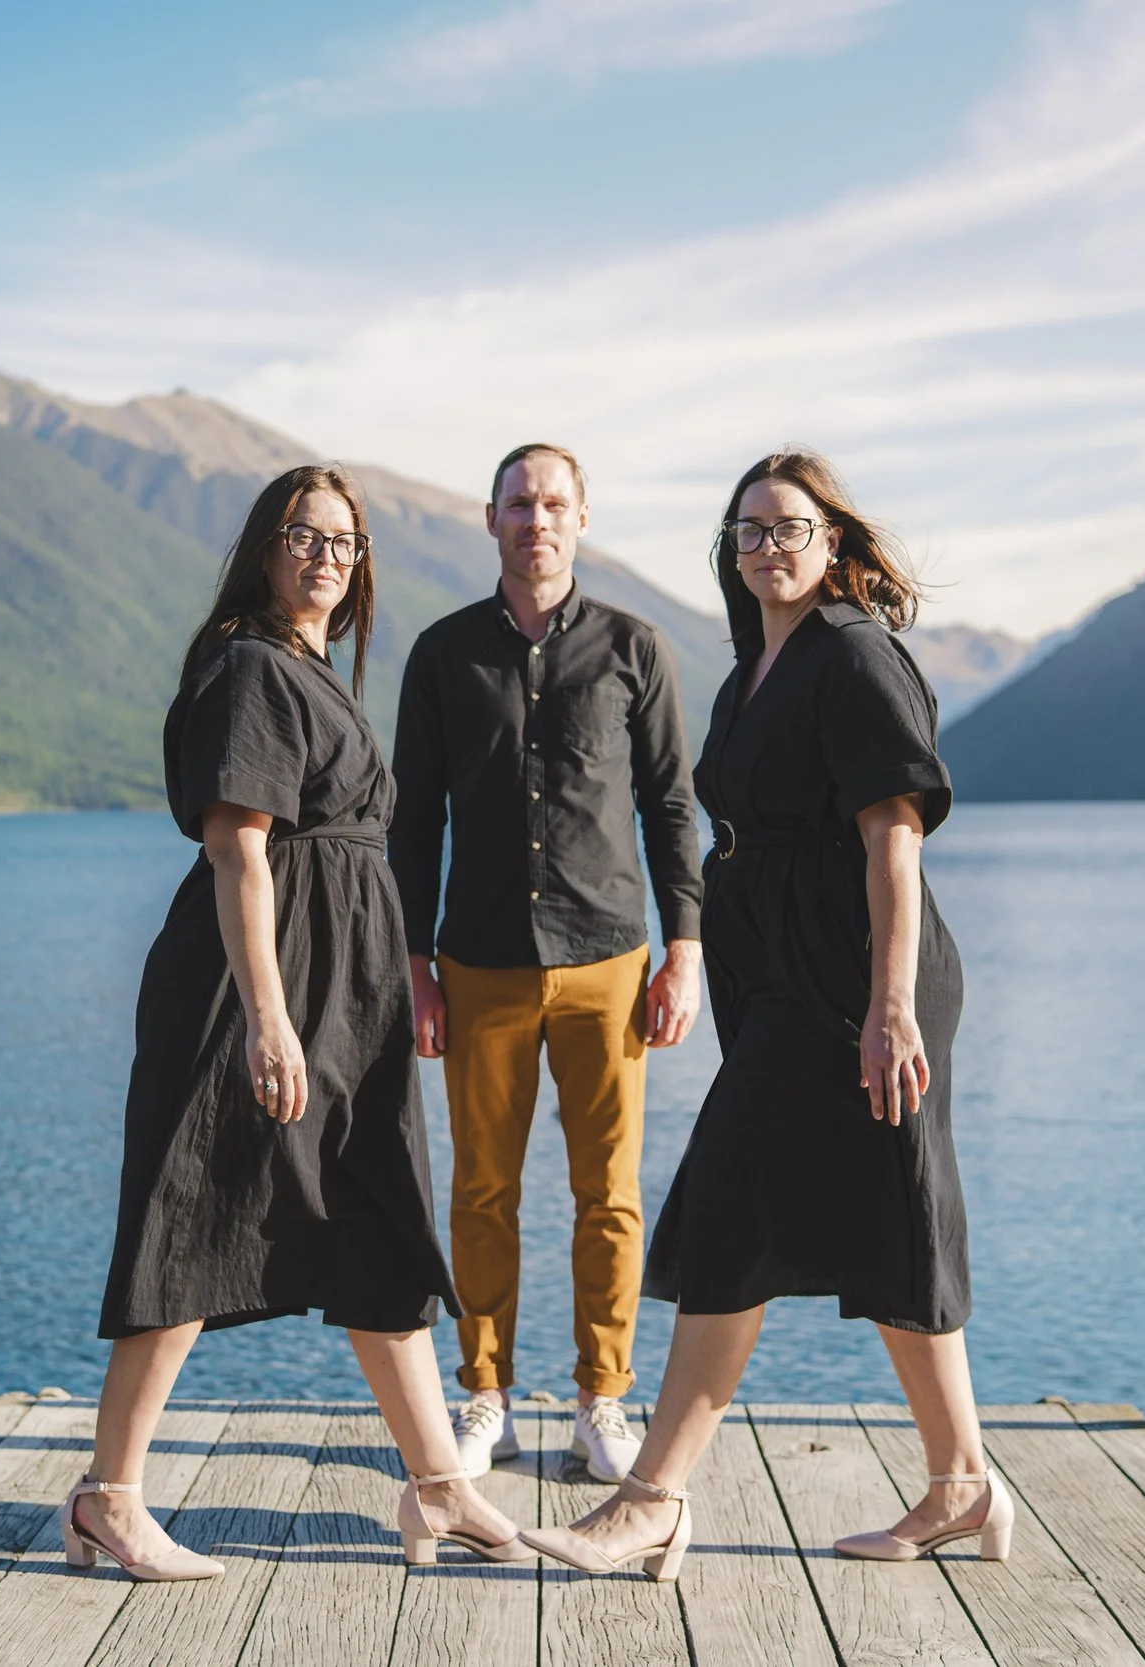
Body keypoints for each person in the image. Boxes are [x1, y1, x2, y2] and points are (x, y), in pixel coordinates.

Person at [521, 449, 1012, 1579]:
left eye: (786, 527)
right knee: (890, 1214)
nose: (764, 547)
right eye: (745, 530)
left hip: (854, 974)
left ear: (831, 541)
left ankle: (652, 1495)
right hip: (785, 970)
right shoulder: (758, 664)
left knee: (729, 1199)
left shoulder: (853, 652)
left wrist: (891, 1007)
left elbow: (894, 831)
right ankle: (962, 1484)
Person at [60, 464, 532, 1580]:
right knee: (193, 1213)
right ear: (264, 549)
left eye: (344, 542)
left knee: (378, 1216)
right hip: (254, 985)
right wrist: (269, 1018)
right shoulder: (249, 667)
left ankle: (439, 1488)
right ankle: (108, 1497)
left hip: (347, 991)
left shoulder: (313, 667)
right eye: (303, 535)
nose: (326, 556)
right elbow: (239, 849)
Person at [388, 442, 704, 1483]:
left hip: (610, 957)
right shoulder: (441, 655)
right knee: (482, 1188)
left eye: (554, 502)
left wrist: (685, 951)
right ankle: (486, 1397)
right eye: (518, 503)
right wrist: (413, 965)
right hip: (475, 961)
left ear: (580, 518)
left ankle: (601, 1400)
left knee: (607, 1191)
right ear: (490, 519)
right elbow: (412, 820)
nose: (536, 519)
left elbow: (669, 806)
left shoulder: (633, 647)